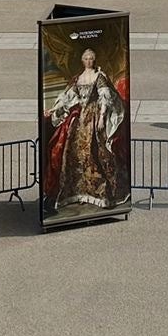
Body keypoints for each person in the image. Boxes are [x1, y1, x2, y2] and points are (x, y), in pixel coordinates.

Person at [43, 47, 129, 216]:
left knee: (95, 153)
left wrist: (102, 118)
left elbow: (105, 96)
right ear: (82, 61)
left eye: (91, 58)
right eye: (86, 58)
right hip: (80, 118)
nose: (89, 61)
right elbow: (68, 97)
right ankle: (79, 191)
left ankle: (99, 192)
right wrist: (53, 110)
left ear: (94, 60)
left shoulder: (99, 77)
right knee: (74, 154)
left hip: (94, 116)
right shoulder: (78, 78)